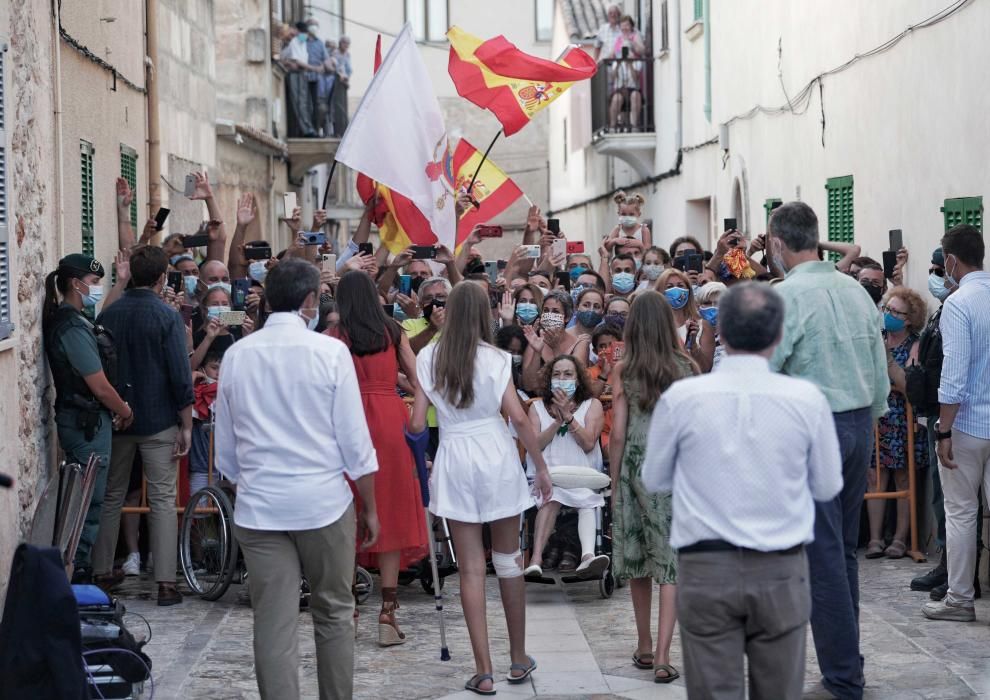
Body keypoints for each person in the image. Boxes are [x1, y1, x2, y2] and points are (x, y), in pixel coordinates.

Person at [642, 282, 843, 699]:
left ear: (721, 332)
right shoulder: (806, 398)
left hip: (706, 568)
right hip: (780, 570)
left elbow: (654, 478)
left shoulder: (683, 398)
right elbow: (827, 485)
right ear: (778, 334)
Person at [215, 259, 380, 699]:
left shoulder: (236, 355)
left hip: (260, 506)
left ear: (267, 299)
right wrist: (371, 507)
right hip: (322, 502)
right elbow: (354, 441)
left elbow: (226, 450)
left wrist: (244, 481)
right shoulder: (329, 353)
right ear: (311, 302)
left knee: (273, 621)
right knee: (334, 611)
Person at [767, 201, 889, 699]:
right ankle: (846, 664)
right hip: (860, 422)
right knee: (841, 552)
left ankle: (842, 677)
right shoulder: (857, 290)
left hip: (815, 428)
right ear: (816, 237)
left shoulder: (786, 298)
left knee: (823, 556)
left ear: (777, 244)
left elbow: (767, 370)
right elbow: (877, 364)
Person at [409, 283, 551, 695]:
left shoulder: (427, 356)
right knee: (508, 559)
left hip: (454, 453)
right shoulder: (493, 357)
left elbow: (418, 423)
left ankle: (483, 670)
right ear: (484, 315)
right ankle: (519, 658)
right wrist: (540, 467)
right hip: (494, 451)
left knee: (471, 567)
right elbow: (519, 419)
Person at [330, 271, 428, 646]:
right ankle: (387, 613)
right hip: (390, 420)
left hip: (349, 420)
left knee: (349, 511)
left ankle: (349, 609)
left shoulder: (335, 337)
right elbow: (421, 380)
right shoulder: (393, 330)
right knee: (390, 512)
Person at [92, 245, 194, 606]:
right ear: (163, 276)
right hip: (159, 419)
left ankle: (102, 573)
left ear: (132, 273)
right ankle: (166, 583)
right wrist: (186, 424)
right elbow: (180, 374)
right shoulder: (166, 317)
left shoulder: (110, 315)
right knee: (164, 500)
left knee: (111, 496)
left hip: (118, 418)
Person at [608, 291, 697, 684]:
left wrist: (613, 480)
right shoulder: (686, 367)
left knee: (637, 556)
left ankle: (643, 644)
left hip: (634, 467)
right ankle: (663, 654)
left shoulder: (625, 370)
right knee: (671, 562)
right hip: (674, 470)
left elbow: (618, 434)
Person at [43, 254, 133, 585]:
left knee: (90, 497)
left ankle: (79, 572)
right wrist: (124, 410)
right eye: (93, 283)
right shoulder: (69, 326)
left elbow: (99, 319)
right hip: (86, 422)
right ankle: (77, 574)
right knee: (88, 501)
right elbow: (98, 385)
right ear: (74, 283)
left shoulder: (75, 319)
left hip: (89, 420)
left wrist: (121, 281)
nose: (96, 288)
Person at [923, 224, 990, 623]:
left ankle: (960, 599)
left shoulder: (959, 303)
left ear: (950, 260)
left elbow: (954, 375)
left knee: (962, 511)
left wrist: (943, 429)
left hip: (967, 425)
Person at [523, 355, 607, 578]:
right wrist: (557, 421)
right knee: (553, 496)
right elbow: (535, 445)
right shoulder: (537, 408)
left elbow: (589, 443)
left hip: (584, 474)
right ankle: (535, 560)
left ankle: (588, 557)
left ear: (578, 380)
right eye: (557, 374)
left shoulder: (592, 405)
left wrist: (569, 417)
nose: (562, 379)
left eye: (568, 374)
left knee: (586, 496)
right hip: (549, 475)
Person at [864, 287, 929, 560]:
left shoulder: (915, 344)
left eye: (894, 311)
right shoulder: (873, 339)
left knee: (904, 476)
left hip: (903, 420)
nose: (887, 315)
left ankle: (901, 539)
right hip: (876, 419)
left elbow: (906, 384)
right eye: (886, 309)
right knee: (874, 477)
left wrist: (888, 362)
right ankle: (875, 538)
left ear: (908, 319)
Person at [656, 268, 715, 372]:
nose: (676, 290)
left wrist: (693, 346)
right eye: (669, 287)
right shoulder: (653, 326)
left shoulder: (702, 325)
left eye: (680, 286)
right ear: (659, 292)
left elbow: (705, 369)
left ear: (688, 290)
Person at [608, 15, 646, 130]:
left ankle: (634, 125)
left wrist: (631, 44)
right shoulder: (619, 39)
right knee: (616, 99)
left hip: (633, 85)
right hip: (620, 88)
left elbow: (642, 50)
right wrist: (618, 61)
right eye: (622, 26)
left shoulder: (635, 36)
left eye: (627, 25)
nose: (624, 28)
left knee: (635, 95)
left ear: (631, 26)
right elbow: (611, 55)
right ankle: (613, 127)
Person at [330, 35, 352, 137]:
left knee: (343, 107)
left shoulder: (347, 55)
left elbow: (349, 69)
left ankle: (344, 130)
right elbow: (335, 67)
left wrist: (346, 77)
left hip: (344, 82)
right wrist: (341, 75)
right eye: (345, 43)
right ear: (340, 43)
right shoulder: (335, 53)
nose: (346, 45)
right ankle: (338, 131)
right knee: (338, 107)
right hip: (336, 80)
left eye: (348, 44)